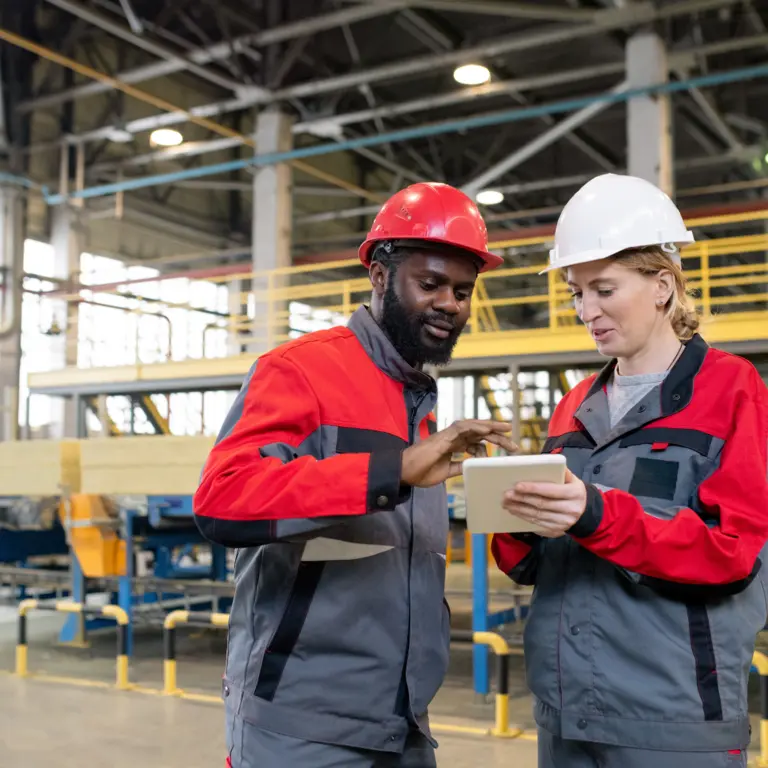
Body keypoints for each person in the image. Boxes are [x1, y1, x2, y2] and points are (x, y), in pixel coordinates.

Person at [193, 182, 515, 768]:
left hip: (403, 721)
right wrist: (392, 469)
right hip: (301, 726)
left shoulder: (419, 401)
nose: (451, 303)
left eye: (464, 291)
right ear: (379, 276)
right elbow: (223, 497)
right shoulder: (301, 371)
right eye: (430, 284)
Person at [492, 173, 768, 768]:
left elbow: (735, 553)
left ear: (662, 285)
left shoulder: (731, 390)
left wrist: (595, 513)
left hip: (670, 720)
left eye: (604, 289)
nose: (585, 311)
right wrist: (515, 519)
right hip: (566, 712)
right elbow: (535, 566)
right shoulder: (575, 405)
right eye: (575, 292)